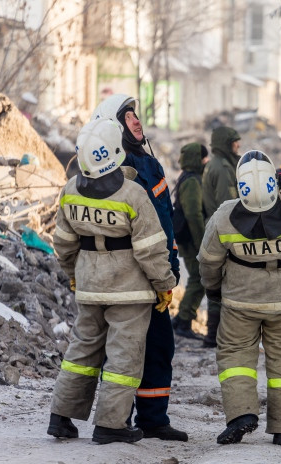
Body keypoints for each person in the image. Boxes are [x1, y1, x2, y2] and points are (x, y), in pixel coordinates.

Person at [46, 119, 176, 444]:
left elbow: (63, 245)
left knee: (81, 351)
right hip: (129, 291)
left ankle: (60, 418)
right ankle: (111, 425)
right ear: (114, 151)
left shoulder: (70, 191)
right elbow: (150, 250)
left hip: (90, 287)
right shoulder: (132, 194)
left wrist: (74, 277)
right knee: (123, 357)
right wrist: (164, 285)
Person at [198, 150, 281, 447]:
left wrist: (213, 289)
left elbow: (208, 261)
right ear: (275, 180)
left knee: (235, 356)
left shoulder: (224, 216)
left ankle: (241, 415)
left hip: (240, 303)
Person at [90, 94, 187, 441]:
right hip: (128, 276)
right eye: (127, 115)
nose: (136, 120)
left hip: (156, 271)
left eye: (135, 114)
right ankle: (117, 420)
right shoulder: (111, 167)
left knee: (159, 346)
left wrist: (169, 269)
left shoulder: (149, 163)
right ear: (112, 125)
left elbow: (165, 222)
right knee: (124, 351)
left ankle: (153, 418)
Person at [201, 125, 241, 347]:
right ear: (226, 143)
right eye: (235, 141)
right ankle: (214, 335)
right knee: (222, 283)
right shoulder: (223, 168)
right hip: (223, 233)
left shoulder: (219, 164)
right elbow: (230, 207)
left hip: (216, 230)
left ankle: (213, 333)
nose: (238, 145)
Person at [171, 143, 209, 340]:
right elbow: (194, 215)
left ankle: (180, 320)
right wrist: (202, 243)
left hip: (188, 238)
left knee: (197, 279)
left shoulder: (188, 178)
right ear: (197, 159)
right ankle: (184, 321)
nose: (206, 161)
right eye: (204, 158)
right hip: (192, 239)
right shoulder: (192, 181)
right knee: (199, 279)